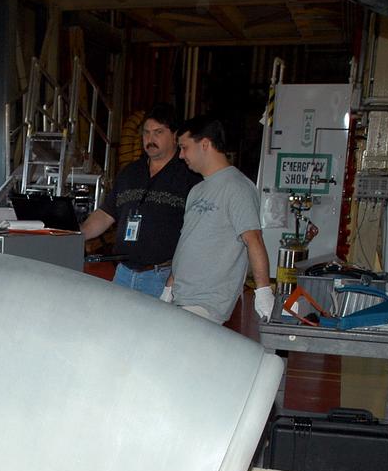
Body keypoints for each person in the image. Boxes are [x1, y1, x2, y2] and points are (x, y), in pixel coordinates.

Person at [79, 103, 201, 299]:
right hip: (124, 274)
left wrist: (175, 280)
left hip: (162, 276)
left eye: (158, 132)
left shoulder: (189, 176)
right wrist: (75, 235)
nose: (150, 139)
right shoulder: (130, 173)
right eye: (146, 133)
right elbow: (105, 214)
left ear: (175, 136)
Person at [171, 115, 273, 323]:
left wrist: (263, 291)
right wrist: (169, 287)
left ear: (205, 144)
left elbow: (253, 239)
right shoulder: (197, 190)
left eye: (184, 147)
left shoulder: (238, 187)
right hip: (181, 298)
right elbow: (187, 243)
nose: (181, 155)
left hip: (206, 304)